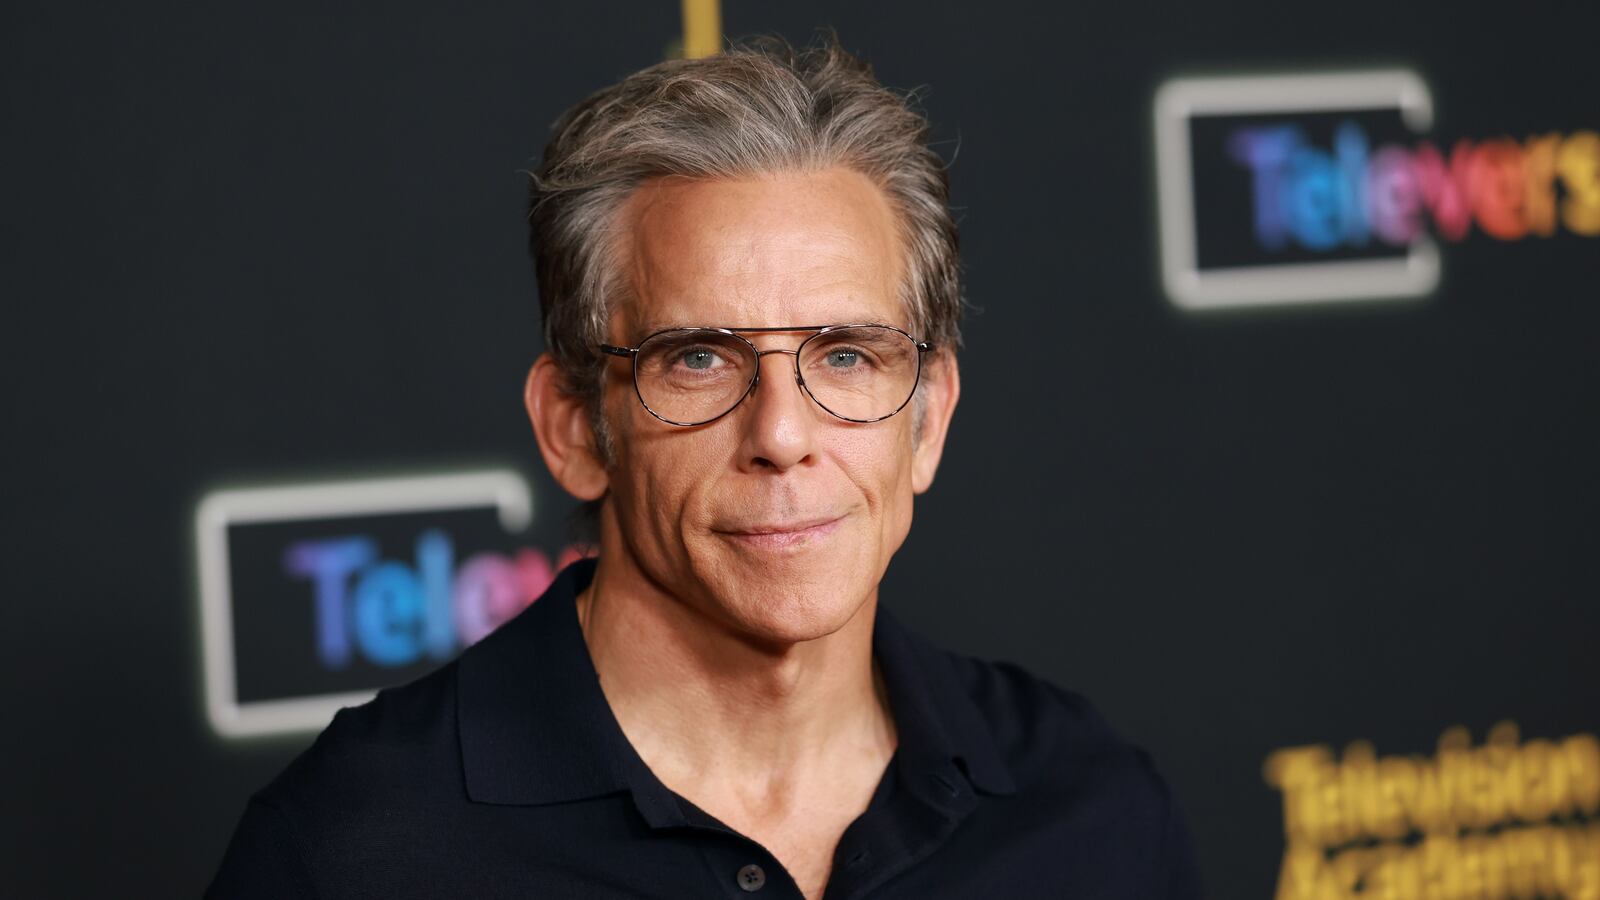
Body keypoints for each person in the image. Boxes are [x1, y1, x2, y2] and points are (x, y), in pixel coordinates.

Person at [208, 34, 1203, 899]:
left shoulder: (1087, 811)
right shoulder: (353, 854)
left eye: (846, 355)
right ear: (574, 426)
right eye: (697, 359)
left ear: (929, 417)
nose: (782, 433)